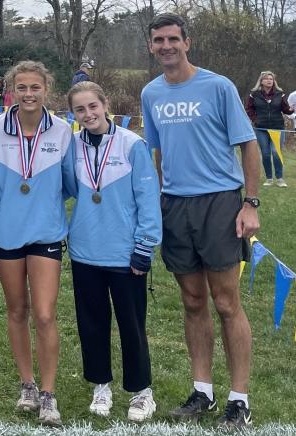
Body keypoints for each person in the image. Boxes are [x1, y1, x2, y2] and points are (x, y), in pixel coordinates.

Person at [141, 13, 260, 430]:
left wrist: (250, 203)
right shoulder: (150, 93)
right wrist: (155, 200)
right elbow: (157, 153)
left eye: (173, 38)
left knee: (227, 303)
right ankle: (203, 391)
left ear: (187, 43)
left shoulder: (218, 86)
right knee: (192, 302)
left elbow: (248, 147)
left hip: (219, 205)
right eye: (159, 40)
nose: (166, 46)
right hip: (175, 205)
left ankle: (239, 399)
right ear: (152, 46)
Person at [0, 60, 74, 426]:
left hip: (46, 233)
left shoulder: (63, 131)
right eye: (22, 88)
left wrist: (43, 201)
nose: (29, 94)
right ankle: (28, 384)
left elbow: (69, 184)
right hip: (5, 232)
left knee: (45, 313)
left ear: (46, 90)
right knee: (17, 309)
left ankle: (49, 394)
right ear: (12, 91)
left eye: (36, 87)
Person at [66, 81, 161, 422]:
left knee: (131, 324)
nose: (88, 114)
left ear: (105, 105)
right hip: (85, 251)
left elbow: (148, 200)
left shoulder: (132, 145)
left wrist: (144, 246)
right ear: (73, 113)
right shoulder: (71, 145)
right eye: (80, 109)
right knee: (91, 323)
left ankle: (141, 391)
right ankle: (100, 385)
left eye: (93, 106)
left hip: (125, 253)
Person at [245, 71, 294, 187]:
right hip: (261, 129)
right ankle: (269, 178)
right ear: (261, 81)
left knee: (276, 153)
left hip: (277, 128)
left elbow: (285, 109)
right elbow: (249, 109)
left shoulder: (280, 94)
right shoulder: (254, 94)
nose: (269, 81)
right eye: (266, 79)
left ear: (274, 81)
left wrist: (291, 110)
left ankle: (280, 178)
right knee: (266, 154)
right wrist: (255, 119)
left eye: (271, 79)